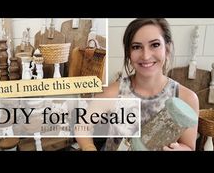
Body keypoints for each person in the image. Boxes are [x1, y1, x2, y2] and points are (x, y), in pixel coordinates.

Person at [76, 18, 199, 151]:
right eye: (136, 47)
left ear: (167, 49)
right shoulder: (113, 93)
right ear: (129, 53)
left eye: (155, 45)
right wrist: (88, 147)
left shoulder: (186, 98)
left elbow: (189, 146)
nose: (146, 56)